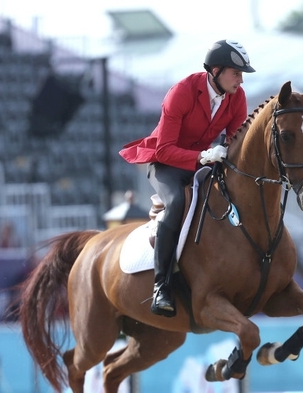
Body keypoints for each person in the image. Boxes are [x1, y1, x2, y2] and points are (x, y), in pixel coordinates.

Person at [119, 39, 256, 317]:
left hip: (204, 163)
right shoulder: (181, 92)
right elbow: (163, 149)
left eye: (242, 75)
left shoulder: (236, 96)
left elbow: (235, 141)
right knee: (177, 204)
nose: (240, 81)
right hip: (167, 164)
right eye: (236, 73)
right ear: (215, 70)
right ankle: (161, 286)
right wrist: (202, 156)